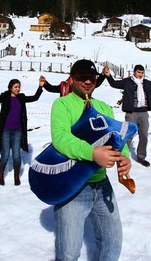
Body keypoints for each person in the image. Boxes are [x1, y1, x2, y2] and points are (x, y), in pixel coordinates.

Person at [51, 59, 132, 260]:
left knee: (113, 243)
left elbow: (117, 137)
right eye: (82, 77)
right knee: (69, 253)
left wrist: (125, 157)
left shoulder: (104, 107)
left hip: (102, 186)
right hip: (72, 187)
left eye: (91, 77)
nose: (87, 81)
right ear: (72, 79)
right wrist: (93, 153)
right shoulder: (62, 104)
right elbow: (61, 138)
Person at [102, 64, 151, 167]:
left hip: (143, 113)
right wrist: (108, 75)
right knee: (128, 135)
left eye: (142, 73)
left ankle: (141, 157)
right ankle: (122, 156)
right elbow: (114, 84)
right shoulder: (127, 82)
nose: (140, 74)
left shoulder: (146, 83)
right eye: (138, 72)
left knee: (144, 135)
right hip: (131, 113)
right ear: (134, 72)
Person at [0, 76, 45, 185]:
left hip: (18, 130)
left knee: (17, 155)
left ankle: (16, 177)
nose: (18, 89)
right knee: (6, 154)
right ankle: (0, 175)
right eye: (16, 87)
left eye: (19, 87)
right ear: (10, 88)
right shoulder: (5, 96)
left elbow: (35, 98)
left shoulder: (21, 97)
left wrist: (40, 87)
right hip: (5, 130)